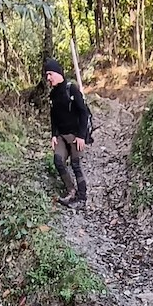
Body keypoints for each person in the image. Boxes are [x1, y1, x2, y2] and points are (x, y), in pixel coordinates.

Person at [44, 58, 88, 209]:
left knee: (76, 164)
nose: (48, 78)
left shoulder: (71, 89)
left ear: (57, 73)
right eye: (46, 75)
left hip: (76, 135)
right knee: (58, 161)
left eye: (50, 74)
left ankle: (82, 197)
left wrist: (82, 136)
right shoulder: (53, 95)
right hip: (61, 136)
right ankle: (71, 191)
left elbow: (83, 113)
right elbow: (53, 117)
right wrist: (54, 135)